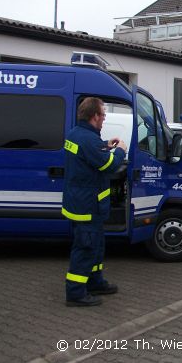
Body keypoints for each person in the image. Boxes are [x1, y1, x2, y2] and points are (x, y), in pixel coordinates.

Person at [63, 97, 127, 307]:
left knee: (96, 246)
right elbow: (108, 165)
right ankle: (75, 293)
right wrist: (120, 151)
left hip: (82, 203)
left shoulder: (76, 134)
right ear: (94, 116)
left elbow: (89, 154)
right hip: (87, 206)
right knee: (85, 248)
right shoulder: (87, 139)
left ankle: (95, 282)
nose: (104, 120)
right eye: (103, 116)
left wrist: (104, 145)